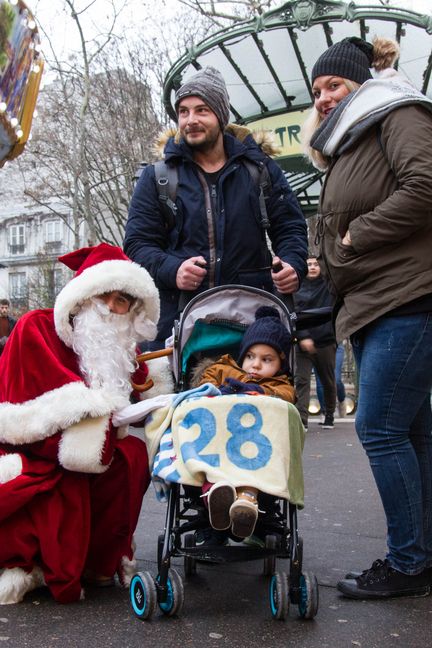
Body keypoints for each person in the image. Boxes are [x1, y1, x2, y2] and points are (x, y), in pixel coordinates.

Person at [302, 36, 432, 599]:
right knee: (412, 432)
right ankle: (421, 555)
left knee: (378, 426)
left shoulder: (396, 112)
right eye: (317, 90)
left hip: (409, 296)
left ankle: (407, 563)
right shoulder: (351, 140)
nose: (325, 97)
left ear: (361, 82)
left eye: (335, 85)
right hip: (380, 301)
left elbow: (425, 185)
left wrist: (356, 235)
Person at [0, 243, 161, 605]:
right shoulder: (36, 327)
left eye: (123, 301)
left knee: (132, 454)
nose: (112, 307)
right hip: (32, 450)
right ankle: (45, 562)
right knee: (67, 479)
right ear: (83, 295)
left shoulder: (119, 346)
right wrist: (95, 419)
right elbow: (20, 420)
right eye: (105, 295)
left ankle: (99, 561)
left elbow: (144, 388)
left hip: (86, 451)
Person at [124, 66, 308, 350]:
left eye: (202, 110)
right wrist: (173, 269)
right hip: (179, 325)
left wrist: (293, 265)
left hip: (251, 326)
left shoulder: (260, 170)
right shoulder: (157, 177)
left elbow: (291, 227)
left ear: (221, 116)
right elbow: (137, 245)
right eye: (183, 112)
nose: (190, 120)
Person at [197, 305, 295, 541]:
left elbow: (286, 398)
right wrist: (220, 391)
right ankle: (218, 500)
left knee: (253, 468)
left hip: (255, 445)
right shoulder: (223, 369)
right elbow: (204, 385)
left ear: (280, 364)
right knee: (210, 466)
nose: (256, 365)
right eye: (250, 356)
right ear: (242, 355)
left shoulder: (279, 384)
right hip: (218, 440)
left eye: (266, 359)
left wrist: (258, 391)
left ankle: (246, 502)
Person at [293, 255, 336, 430]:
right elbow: (293, 313)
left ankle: (330, 415)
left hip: (325, 341)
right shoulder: (296, 287)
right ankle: (302, 420)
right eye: (308, 264)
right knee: (301, 381)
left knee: (327, 380)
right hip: (301, 342)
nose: (312, 267)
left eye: (315, 264)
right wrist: (303, 336)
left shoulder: (328, 286)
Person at [315, 342, 347, 418]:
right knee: (320, 382)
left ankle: (341, 399)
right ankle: (325, 412)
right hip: (317, 345)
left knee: (336, 380)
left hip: (336, 343)